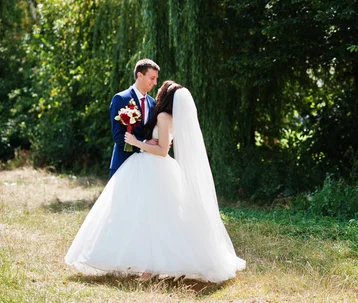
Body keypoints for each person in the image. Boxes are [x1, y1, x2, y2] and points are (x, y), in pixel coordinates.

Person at [65, 81, 246, 282]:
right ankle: (153, 267)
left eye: (160, 89)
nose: (156, 88)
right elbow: (163, 144)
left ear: (166, 96)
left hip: (153, 167)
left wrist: (136, 143)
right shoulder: (174, 118)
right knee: (163, 217)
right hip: (163, 169)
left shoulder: (161, 116)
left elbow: (161, 151)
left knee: (149, 216)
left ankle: (149, 268)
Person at [109, 59, 160, 179]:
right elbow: (118, 136)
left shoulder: (153, 103)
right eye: (152, 78)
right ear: (139, 75)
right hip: (123, 162)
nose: (155, 82)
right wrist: (142, 144)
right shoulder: (120, 99)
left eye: (156, 78)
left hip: (146, 166)